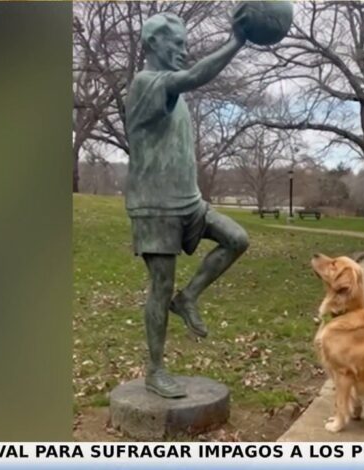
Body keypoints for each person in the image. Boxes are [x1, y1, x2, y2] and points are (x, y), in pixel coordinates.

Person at [124, 11, 250, 398]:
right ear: (152, 45)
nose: (184, 50)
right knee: (160, 287)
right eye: (176, 44)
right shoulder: (147, 84)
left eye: (185, 43)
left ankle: (190, 296)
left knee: (237, 239)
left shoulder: (172, 92)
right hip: (155, 205)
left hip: (189, 202)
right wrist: (238, 40)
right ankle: (155, 370)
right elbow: (195, 76)